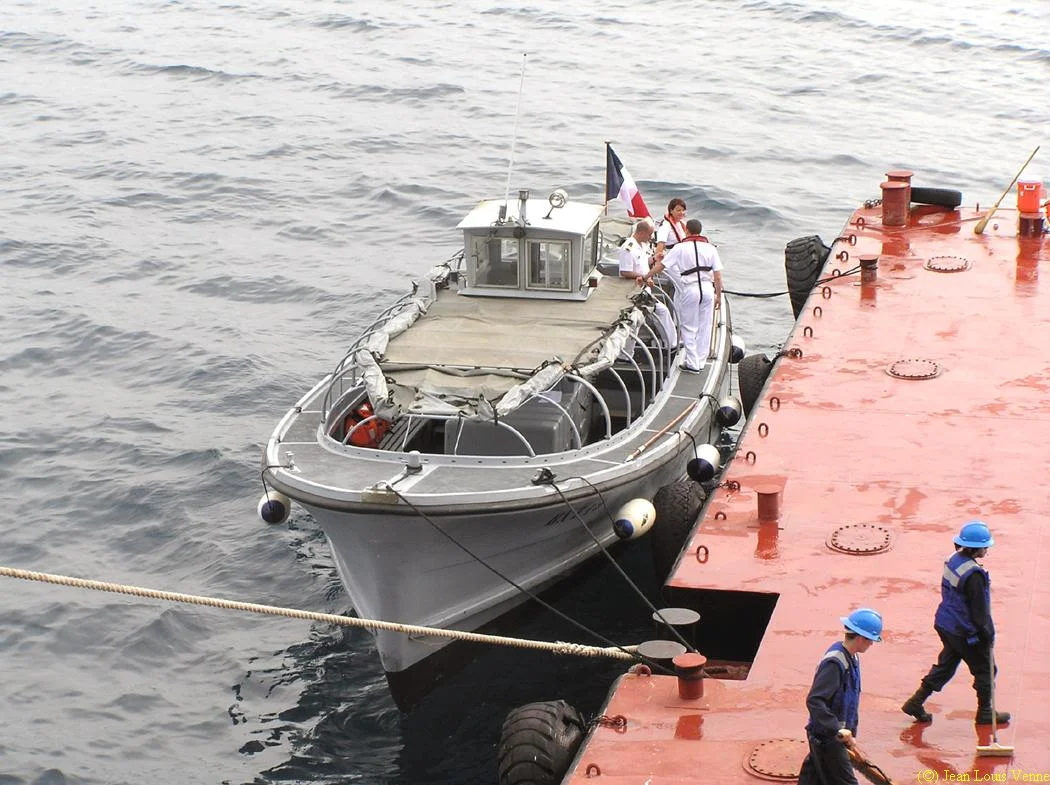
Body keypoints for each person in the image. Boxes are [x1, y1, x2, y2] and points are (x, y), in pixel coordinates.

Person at [900, 520, 1010, 725]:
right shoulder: (974, 575)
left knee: (946, 666)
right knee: (986, 669)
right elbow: (979, 613)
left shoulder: (953, 560)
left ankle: (915, 702)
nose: (987, 550)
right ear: (977, 548)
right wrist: (988, 635)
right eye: (986, 546)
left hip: (947, 624)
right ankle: (985, 712)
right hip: (965, 631)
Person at [798, 608, 883, 785]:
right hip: (828, 738)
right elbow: (815, 700)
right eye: (871, 640)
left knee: (813, 777)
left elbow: (850, 698)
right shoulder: (835, 663)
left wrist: (851, 730)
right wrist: (837, 729)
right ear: (861, 638)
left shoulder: (852, 657)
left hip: (830, 737)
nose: (871, 645)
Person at [644, 218, 723, 373]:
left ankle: (692, 362)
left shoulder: (679, 248)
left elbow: (661, 266)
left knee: (688, 326)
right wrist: (718, 296)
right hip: (708, 289)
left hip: (690, 289)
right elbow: (718, 276)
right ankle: (700, 360)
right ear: (700, 231)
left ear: (686, 230)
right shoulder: (711, 249)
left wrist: (646, 276)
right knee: (705, 325)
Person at [618, 218, 676, 349]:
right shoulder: (628, 248)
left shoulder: (641, 246)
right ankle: (671, 344)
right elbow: (625, 272)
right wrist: (644, 277)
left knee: (636, 323)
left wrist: (655, 259)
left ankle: (626, 353)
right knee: (660, 312)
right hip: (635, 291)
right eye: (649, 234)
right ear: (642, 232)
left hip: (644, 289)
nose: (651, 238)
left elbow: (644, 262)